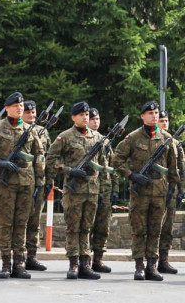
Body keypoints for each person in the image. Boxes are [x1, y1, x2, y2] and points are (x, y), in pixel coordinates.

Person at [0, 92, 43, 279]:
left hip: (26, 183)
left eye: (21, 106)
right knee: (5, 224)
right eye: (15, 106)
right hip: (5, 184)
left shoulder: (32, 130)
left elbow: (39, 157)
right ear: (7, 108)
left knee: (21, 223)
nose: (20, 108)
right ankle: (5, 263)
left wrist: (40, 183)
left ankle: (19, 263)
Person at [113, 100, 177, 281]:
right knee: (139, 230)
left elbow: (173, 166)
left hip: (160, 192)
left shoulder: (166, 138)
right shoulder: (132, 138)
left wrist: (173, 187)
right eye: (150, 113)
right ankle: (139, 266)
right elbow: (117, 160)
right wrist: (131, 176)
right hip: (140, 192)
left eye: (156, 113)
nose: (154, 116)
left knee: (156, 230)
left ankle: (152, 266)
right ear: (142, 116)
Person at [48, 102, 103, 280]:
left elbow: (103, 164)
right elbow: (50, 160)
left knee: (87, 228)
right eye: (81, 115)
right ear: (73, 117)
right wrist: (70, 170)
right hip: (73, 191)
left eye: (87, 115)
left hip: (92, 190)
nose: (85, 117)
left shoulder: (97, 138)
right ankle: (73, 263)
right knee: (73, 228)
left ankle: (85, 264)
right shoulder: (64, 137)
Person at [20, 100, 52, 272]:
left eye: (34, 112)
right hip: (23, 180)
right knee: (20, 221)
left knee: (35, 220)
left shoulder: (43, 131)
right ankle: (17, 255)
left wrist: (49, 181)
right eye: (28, 112)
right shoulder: (19, 130)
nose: (32, 115)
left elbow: (48, 157)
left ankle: (31, 255)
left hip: (40, 180)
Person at [89, 108, 116, 273]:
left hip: (105, 189)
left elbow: (111, 166)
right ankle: (82, 260)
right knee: (86, 226)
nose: (95, 122)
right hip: (89, 189)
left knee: (103, 226)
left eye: (97, 119)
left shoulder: (105, 141)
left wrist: (115, 188)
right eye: (92, 119)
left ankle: (98, 259)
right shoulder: (85, 139)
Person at [156, 111, 183, 275]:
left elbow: (181, 169)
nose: (164, 123)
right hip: (152, 191)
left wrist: (181, 190)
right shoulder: (148, 142)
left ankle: (163, 260)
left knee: (167, 227)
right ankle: (148, 261)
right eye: (161, 120)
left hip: (170, 191)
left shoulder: (175, 144)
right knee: (151, 228)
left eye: (166, 120)